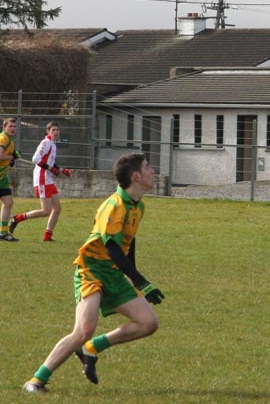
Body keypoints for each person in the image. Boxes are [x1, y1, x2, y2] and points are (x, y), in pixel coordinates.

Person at [23, 153, 165, 394]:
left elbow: (127, 244)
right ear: (136, 176)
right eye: (148, 167)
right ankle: (36, 380)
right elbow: (112, 248)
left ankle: (92, 348)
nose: (154, 171)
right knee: (83, 329)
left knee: (148, 323)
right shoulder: (114, 206)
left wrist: (134, 278)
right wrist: (141, 280)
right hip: (91, 270)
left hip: (113, 272)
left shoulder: (137, 206)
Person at [9, 121, 72, 242]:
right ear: (48, 131)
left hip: (48, 179)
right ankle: (17, 218)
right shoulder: (46, 142)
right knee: (45, 211)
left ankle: (47, 236)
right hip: (42, 179)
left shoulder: (53, 144)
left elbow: (50, 163)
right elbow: (35, 159)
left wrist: (63, 170)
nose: (56, 132)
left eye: (57, 130)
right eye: (53, 130)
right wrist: (51, 169)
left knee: (57, 208)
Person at [0, 117, 21, 242]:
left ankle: (3, 233)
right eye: (10, 126)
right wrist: (11, 156)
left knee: (8, 202)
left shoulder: (11, 142)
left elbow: (8, 161)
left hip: (2, 178)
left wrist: (13, 158)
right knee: (8, 203)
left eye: (14, 127)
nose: (13, 129)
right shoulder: (3, 138)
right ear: (4, 127)